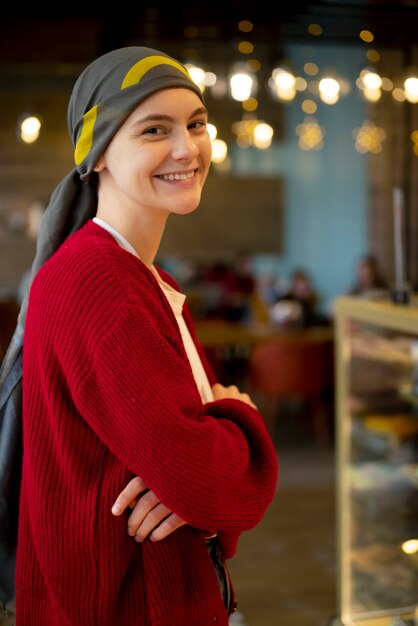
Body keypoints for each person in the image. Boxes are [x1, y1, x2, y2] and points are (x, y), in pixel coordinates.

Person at [0, 46, 278, 625]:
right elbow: (205, 481)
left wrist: (195, 489)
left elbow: (202, 490)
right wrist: (242, 420)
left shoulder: (140, 277)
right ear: (98, 153)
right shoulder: (97, 282)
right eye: (155, 129)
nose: (187, 148)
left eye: (196, 124)